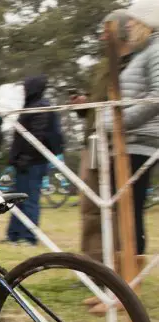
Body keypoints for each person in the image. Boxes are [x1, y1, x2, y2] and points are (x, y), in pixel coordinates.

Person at [71, 9, 135, 265]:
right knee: (90, 207)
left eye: (106, 31)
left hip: (121, 142)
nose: (101, 37)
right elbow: (99, 101)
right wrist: (83, 104)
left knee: (119, 209)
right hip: (94, 141)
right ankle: (92, 266)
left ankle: (119, 266)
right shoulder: (101, 66)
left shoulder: (133, 62)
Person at [101, 0, 159, 258]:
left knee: (130, 211)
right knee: (122, 211)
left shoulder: (156, 49)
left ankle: (128, 286)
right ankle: (120, 281)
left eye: (134, 20)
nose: (130, 25)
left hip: (139, 140)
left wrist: (119, 123)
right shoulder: (142, 52)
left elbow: (157, 96)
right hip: (128, 140)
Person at [5, 74, 65, 245]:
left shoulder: (41, 108)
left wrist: (26, 157)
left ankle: (29, 237)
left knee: (30, 200)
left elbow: (37, 136)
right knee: (17, 199)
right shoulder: (32, 105)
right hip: (24, 162)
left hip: (33, 162)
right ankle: (14, 235)